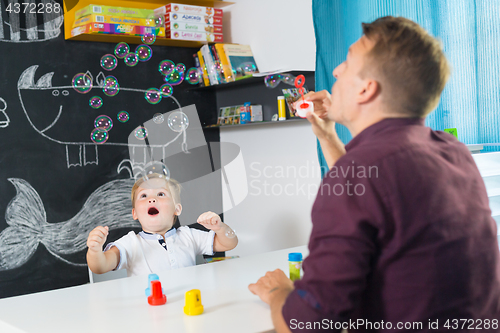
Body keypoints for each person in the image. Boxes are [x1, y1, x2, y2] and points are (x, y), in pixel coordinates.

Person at [249, 16, 500, 332]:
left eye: (348, 63)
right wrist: (327, 136)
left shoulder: (358, 174)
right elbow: (373, 189)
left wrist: (278, 294)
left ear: (367, 89)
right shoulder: (452, 151)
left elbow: (306, 325)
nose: (336, 71)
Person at [87, 173, 238, 277]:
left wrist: (220, 228)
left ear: (177, 209)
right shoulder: (130, 243)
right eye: (144, 196)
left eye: (160, 194)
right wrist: (94, 251)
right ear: (135, 213)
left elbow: (229, 244)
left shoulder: (188, 235)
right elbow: (100, 266)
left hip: (188, 305)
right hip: (150, 312)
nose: (151, 199)